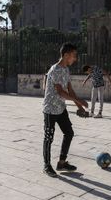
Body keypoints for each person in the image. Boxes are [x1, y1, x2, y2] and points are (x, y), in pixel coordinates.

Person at [42, 43, 88, 177]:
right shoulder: (55, 69)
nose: (75, 59)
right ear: (66, 55)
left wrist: (80, 108)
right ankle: (47, 165)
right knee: (48, 137)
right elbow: (60, 92)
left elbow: (70, 90)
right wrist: (80, 101)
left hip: (61, 108)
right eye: (74, 56)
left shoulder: (66, 70)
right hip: (50, 109)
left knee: (69, 133)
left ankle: (62, 163)